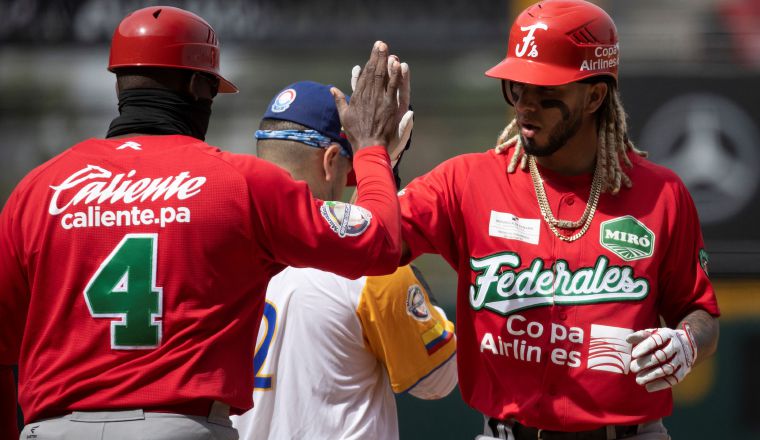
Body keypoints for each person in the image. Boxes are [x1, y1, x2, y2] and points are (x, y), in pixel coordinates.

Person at [0, 6, 406, 440]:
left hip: (53, 429)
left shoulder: (38, 190)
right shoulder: (239, 182)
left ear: (120, 83)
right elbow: (377, 242)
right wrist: (371, 148)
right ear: (198, 86)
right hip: (179, 426)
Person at [395, 1, 720, 439]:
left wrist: (687, 341)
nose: (526, 106)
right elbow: (373, 242)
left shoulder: (661, 195)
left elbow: (700, 312)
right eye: (516, 87)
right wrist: (376, 158)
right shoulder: (467, 180)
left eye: (546, 92)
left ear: (594, 96)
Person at [230, 80, 457, 439]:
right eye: (351, 170)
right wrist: (388, 223)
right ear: (330, 161)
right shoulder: (368, 272)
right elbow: (438, 379)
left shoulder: (220, 248)